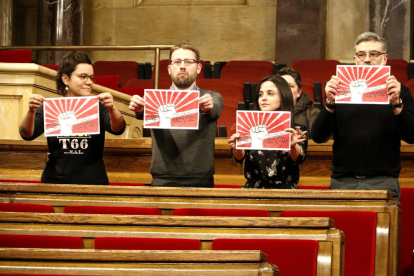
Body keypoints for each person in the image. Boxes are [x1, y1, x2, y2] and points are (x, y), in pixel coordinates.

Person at [311, 32, 414, 200]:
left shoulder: (399, 91)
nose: (367, 59)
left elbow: (411, 136)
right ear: (355, 58)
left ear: (385, 59)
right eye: (361, 54)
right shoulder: (340, 91)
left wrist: (396, 103)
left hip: (383, 180)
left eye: (374, 54)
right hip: (343, 180)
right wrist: (330, 102)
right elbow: (318, 136)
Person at [19, 52, 126, 185]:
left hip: (93, 182)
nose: (89, 82)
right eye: (83, 77)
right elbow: (27, 135)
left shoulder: (97, 107)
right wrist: (31, 111)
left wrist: (112, 108)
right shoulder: (52, 107)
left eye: (91, 77)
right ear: (65, 79)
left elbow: (118, 129)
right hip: (55, 182)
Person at [129, 43, 223, 187]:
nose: (182, 66)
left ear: (198, 68)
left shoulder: (211, 96)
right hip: (162, 178)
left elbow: (214, 108)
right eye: (177, 62)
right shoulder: (155, 100)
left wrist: (206, 108)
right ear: (169, 69)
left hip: (200, 180)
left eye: (188, 61)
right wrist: (140, 109)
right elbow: (142, 112)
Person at [227, 76, 308, 189]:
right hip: (253, 190)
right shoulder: (247, 126)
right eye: (260, 94)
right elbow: (239, 158)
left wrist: (292, 146)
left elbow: (299, 158)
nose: (263, 98)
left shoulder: (297, 129)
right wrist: (237, 148)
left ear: (284, 96)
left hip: (286, 191)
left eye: (270, 93)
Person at [276, 67, 320, 137]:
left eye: (290, 86)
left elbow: (320, 144)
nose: (285, 89)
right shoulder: (265, 112)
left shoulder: (313, 113)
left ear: (299, 92)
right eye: (281, 86)